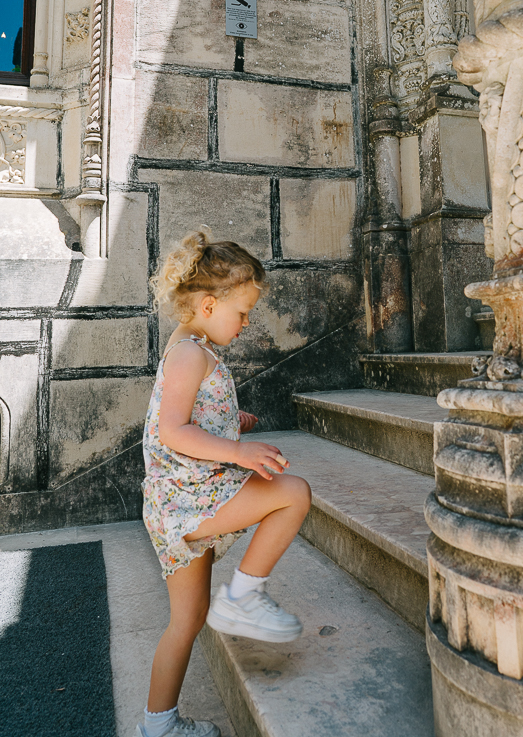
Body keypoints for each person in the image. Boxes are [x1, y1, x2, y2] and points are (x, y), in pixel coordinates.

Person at [135, 230, 311, 737]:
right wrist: (236, 451)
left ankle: (159, 725)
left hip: (176, 507)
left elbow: (191, 415)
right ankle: (243, 600)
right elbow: (172, 429)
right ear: (208, 304)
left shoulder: (188, 344)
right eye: (242, 311)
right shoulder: (192, 354)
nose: (247, 321)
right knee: (292, 494)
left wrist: (234, 423)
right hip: (191, 500)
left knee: (186, 621)